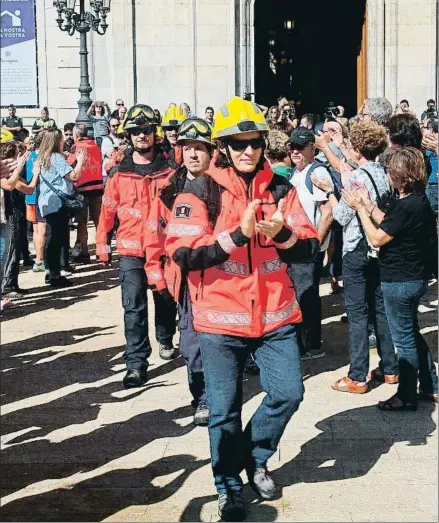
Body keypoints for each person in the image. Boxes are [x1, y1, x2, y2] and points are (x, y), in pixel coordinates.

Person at [165, 96, 319, 521]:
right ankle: (228, 485)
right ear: (223, 148)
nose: (247, 151)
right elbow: (181, 253)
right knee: (223, 410)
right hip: (218, 320)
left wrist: (283, 233)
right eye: (237, 144)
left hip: (275, 316)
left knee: (289, 392)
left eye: (254, 142)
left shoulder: (282, 187)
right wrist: (236, 235)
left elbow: (309, 248)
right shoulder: (198, 190)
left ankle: (256, 455)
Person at [342, 147, 438, 408]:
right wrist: (369, 204)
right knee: (411, 332)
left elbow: (376, 237)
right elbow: (389, 221)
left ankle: (406, 396)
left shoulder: (407, 205)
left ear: (399, 175)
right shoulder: (416, 201)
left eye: (390, 170)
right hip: (414, 278)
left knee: (404, 339)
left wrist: (360, 208)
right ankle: (430, 384)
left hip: (400, 281)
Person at [312, 120, 399, 393]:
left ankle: (358, 375)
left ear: (357, 149)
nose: (346, 149)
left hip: (357, 248)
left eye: (349, 145)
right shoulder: (384, 173)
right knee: (380, 309)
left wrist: (329, 192)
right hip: (379, 247)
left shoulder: (358, 178)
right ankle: (389, 367)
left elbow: (340, 216)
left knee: (358, 312)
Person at [96, 104, 178, 388]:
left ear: (155, 133)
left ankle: (166, 337)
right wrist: (102, 242)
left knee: (166, 299)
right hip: (131, 251)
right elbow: (107, 209)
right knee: (133, 308)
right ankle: (136, 363)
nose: (141, 136)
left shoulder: (171, 171)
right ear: (128, 136)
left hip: (165, 251)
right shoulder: (119, 173)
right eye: (135, 131)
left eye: (146, 130)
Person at [145, 117, 213, 426]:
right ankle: (200, 396)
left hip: (220, 278)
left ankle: (216, 394)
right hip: (184, 280)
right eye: (188, 148)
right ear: (179, 151)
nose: (194, 155)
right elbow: (154, 233)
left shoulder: (225, 187)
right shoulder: (169, 189)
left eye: (200, 148)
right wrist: (155, 273)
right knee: (191, 345)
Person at [288, 128, 334, 360]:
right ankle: (303, 343)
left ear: (311, 148)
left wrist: (315, 242)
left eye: (300, 147)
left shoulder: (317, 173)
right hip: (295, 247)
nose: (295, 151)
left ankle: (313, 345)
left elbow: (328, 212)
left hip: (307, 248)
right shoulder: (297, 173)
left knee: (307, 297)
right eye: (292, 146)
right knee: (299, 296)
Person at [36, 128, 86, 287]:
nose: (64, 140)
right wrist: (81, 161)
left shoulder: (43, 157)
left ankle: (51, 271)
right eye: (61, 138)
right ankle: (55, 274)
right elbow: (73, 176)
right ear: (56, 141)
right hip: (57, 202)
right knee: (57, 238)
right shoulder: (56, 157)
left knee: (52, 237)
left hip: (47, 201)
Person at [0, 131, 29, 311]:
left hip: (3, 214)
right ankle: (7, 287)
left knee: (3, 256)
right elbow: (10, 185)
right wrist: (19, 167)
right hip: (8, 214)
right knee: (6, 254)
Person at [68, 124, 103, 263]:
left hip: (82, 189)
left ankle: (85, 253)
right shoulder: (95, 145)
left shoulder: (76, 147)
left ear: (76, 135)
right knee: (98, 222)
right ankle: (102, 251)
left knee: (82, 222)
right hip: (98, 187)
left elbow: (69, 164)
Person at [25, 133, 46, 273]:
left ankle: (38, 259)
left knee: (36, 230)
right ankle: (40, 260)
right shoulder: (44, 157)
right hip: (40, 196)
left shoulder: (28, 156)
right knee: (42, 230)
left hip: (29, 196)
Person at [423, 119, 438, 215]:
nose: (422, 130)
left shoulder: (430, 143)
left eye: (424, 128)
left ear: (431, 130)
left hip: (432, 184)